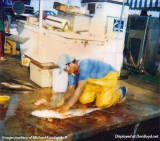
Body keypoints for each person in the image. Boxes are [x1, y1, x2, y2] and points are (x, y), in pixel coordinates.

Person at [55, 54, 127, 113]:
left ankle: (121, 92)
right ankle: (99, 95)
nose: (65, 71)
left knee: (102, 104)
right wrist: (63, 100)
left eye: (65, 68)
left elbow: (80, 89)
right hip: (93, 82)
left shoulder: (84, 64)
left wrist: (67, 107)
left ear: (71, 63)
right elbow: (71, 88)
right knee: (84, 100)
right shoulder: (71, 72)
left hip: (107, 78)